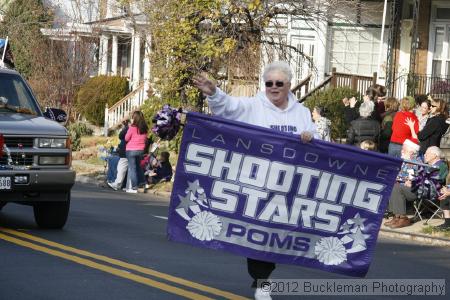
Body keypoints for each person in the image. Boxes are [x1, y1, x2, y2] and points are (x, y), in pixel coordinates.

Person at [193, 61, 317, 300]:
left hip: (289, 187)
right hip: (257, 185)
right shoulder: (253, 105)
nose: (273, 87)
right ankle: (262, 282)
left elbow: (317, 138)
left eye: (279, 83)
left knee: (278, 236)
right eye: (269, 83)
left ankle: (265, 278)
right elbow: (228, 108)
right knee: (259, 234)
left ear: (289, 85)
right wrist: (214, 92)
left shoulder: (301, 112)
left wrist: (311, 136)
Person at [385, 139, 422, 228]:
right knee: (392, 186)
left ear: (412, 152)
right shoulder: (405, 161)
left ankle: (403, 218)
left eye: (404, 150)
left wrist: (410, 180)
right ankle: (396, 216)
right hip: (403, 187)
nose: (401, 151)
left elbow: (414, 178)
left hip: (414, 189)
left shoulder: (415, 162)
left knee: (397, 187)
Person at [125, 111, 148, 193]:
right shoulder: (144, 128)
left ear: (134, 118)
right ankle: (143, 183)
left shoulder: (132, 127)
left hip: (131, 150)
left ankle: (134, 187)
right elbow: (145, 139)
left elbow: (126, 138)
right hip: (140, 150)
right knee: (139, 167)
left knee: (132, 168)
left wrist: (130, 126)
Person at [107, 119, 130, 191]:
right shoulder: (136, 128)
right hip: (129, 150)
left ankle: (117, 184)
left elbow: (121, 136)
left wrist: (125, 127)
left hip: (126, 150)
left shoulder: (128, 128)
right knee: (130, 169)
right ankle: (129, 186)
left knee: (121, 167)